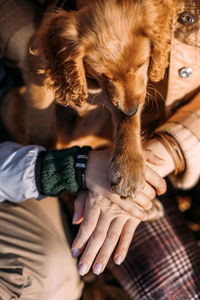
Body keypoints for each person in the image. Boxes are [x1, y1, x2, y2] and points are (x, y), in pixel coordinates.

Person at [0, 1, 200, 300]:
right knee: (168, 288)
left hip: (169, 144)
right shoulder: (73, 33)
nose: (127, 99)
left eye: (139, 66)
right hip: (73, 148)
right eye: (106, 78)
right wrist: (66, 167)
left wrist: (168, 151)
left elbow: (128, 106)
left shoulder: (150, 14)